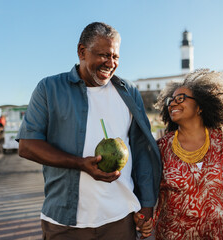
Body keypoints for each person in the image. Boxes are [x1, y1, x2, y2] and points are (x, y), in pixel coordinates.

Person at [16, 22, 161, 240]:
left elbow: (140, 151)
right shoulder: (49, 88)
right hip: (65, 223)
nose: (110, 63)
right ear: (82, 52)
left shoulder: (128, 92)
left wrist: (147, 204)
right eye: (103, 55)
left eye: (116, 57)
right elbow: (27, 146)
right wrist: (80, 164)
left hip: (120, 218)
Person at [151, 69, 223, 239]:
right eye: (170, 101)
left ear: (200, 106)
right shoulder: (162, 147)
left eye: (180, 98)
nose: (172, 104)